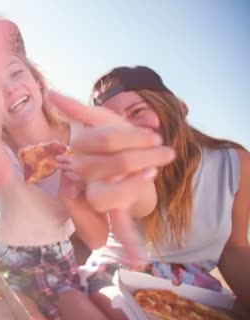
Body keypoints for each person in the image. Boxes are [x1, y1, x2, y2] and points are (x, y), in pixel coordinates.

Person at [0, 21, 175, 320]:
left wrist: (79, 198)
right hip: (1, 258)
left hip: (60, 260)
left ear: (36, 80)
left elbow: (102, 238)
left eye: (15, 72)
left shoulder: (84, 138)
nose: (9, 88)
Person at [82, 66, 250, 319]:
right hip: (113, 277)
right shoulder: (117, 171)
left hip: (195, 290)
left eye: (137, 112)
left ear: (176, 109)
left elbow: (234, 248)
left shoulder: (236, 164)